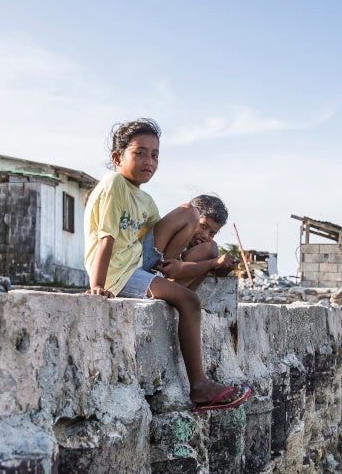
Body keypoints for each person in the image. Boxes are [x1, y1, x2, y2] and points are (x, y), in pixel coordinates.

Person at [84, 118, 251, 413]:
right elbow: (105, 237)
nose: (149, 160)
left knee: (188, 215)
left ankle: (163, 277)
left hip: (136, 265)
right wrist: (98, 285)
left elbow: (160, 235)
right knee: (189, 301)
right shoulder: (112, 185)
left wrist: (183, 264)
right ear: (116, 158)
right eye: (140, 152)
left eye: (155, 154)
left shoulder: (145, 200)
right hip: (117, 274)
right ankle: (199, 386)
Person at [152, 194, 242, 292]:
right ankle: (172, 293)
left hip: (172, 287)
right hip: (153, 282)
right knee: (211, 248)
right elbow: (170, 269)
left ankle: (177, 295)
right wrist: (213, 263)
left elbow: (209, 270)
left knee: (211, 248)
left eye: (212, 233)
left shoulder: (199, 248)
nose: (205, 236)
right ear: (192, 219)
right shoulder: (174, 234)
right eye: (203, 226)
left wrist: (225, 266)